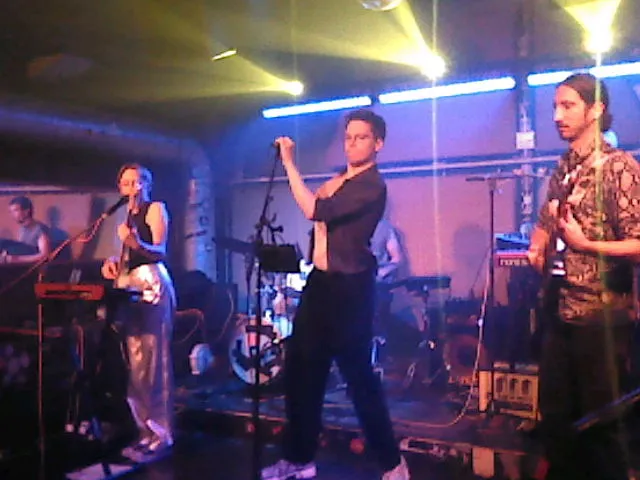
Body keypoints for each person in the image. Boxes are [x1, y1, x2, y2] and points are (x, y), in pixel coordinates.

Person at [262, 109, 410, 480]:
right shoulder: (340, 181)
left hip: (350, 289)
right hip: (321, 285)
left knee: (359, 380)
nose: (352, 143)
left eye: (361, 137)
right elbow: (321, 219)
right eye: (348, 137)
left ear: (378, 144)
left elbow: (315, 209)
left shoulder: (371, 185)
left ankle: (393, 465)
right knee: (302, 373)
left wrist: (289, 162)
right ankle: (299, 459)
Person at [527, 73, 639, 479]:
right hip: (560, 309)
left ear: (596, 110)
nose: (557, 116)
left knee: (602, 428)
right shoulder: (564, 168)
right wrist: (538, 243)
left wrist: (587, 244)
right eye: (555, 107)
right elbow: (546, 220)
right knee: (556, 421)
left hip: (601, 318)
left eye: (568, 105)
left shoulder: (619, 167)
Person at [100, 163, 176, 459]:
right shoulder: (124, 216)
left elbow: (160, 251)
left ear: (147, 184)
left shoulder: (155, 209)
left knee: (155, 361)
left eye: (138, 181)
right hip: (129, 284)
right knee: (136, 365)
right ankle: (143, 430)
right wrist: (112, 264)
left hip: (151, 284)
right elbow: (126, 255)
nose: (133, 186)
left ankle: (161, 432)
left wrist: (135, 242)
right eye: (127, 182)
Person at [0, 196, 50, 264]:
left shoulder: (40, 229)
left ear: (26, 211)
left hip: (33, 266)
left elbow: (45, 256)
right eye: (11, 212)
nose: (12, 214)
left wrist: (15, 259)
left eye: (15, 210)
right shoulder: (22, 229)